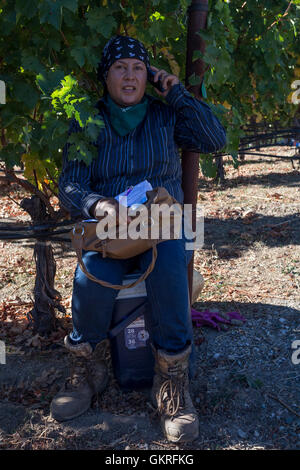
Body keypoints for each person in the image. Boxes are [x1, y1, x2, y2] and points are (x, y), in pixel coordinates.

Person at [52, 35, 226, 443]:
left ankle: (173, 386)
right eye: (119, 67)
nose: (129, 75)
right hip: (113, 226)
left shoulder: (166, 116)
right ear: (106, 76)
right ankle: (86, 370)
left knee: (168, 270)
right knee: (89, 276)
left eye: (137, 68)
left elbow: (214, 140)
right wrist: (98, 205)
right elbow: (70, 183)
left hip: (163, 220)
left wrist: (178, 93)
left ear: (148, 76)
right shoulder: (88, 120)